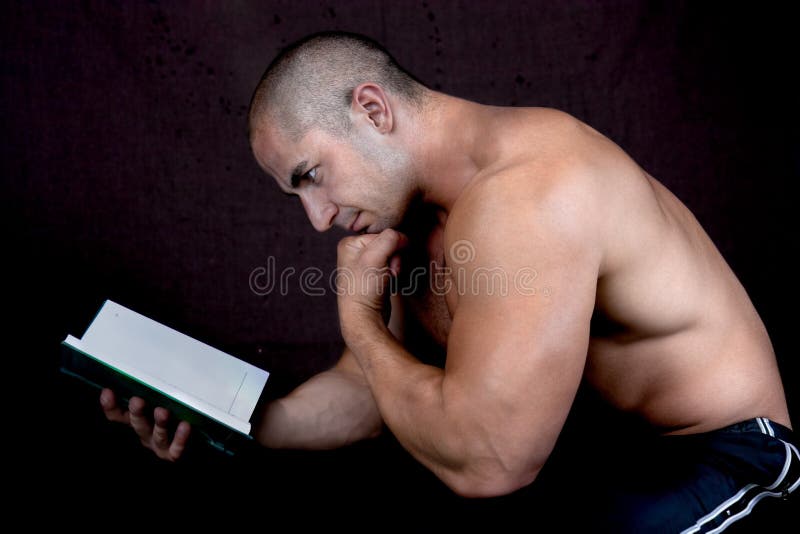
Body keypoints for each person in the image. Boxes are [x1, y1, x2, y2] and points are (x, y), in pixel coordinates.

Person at [99, 32, 797, 531]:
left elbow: (490, 462)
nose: (315, 220)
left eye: (311, 176)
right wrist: (229, 421)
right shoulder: (412, 218)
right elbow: (371, 394)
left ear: (373, 110)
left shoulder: (530, 192)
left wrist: (360, 327)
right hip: (598, 467)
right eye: (294, 195)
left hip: (725, 462)